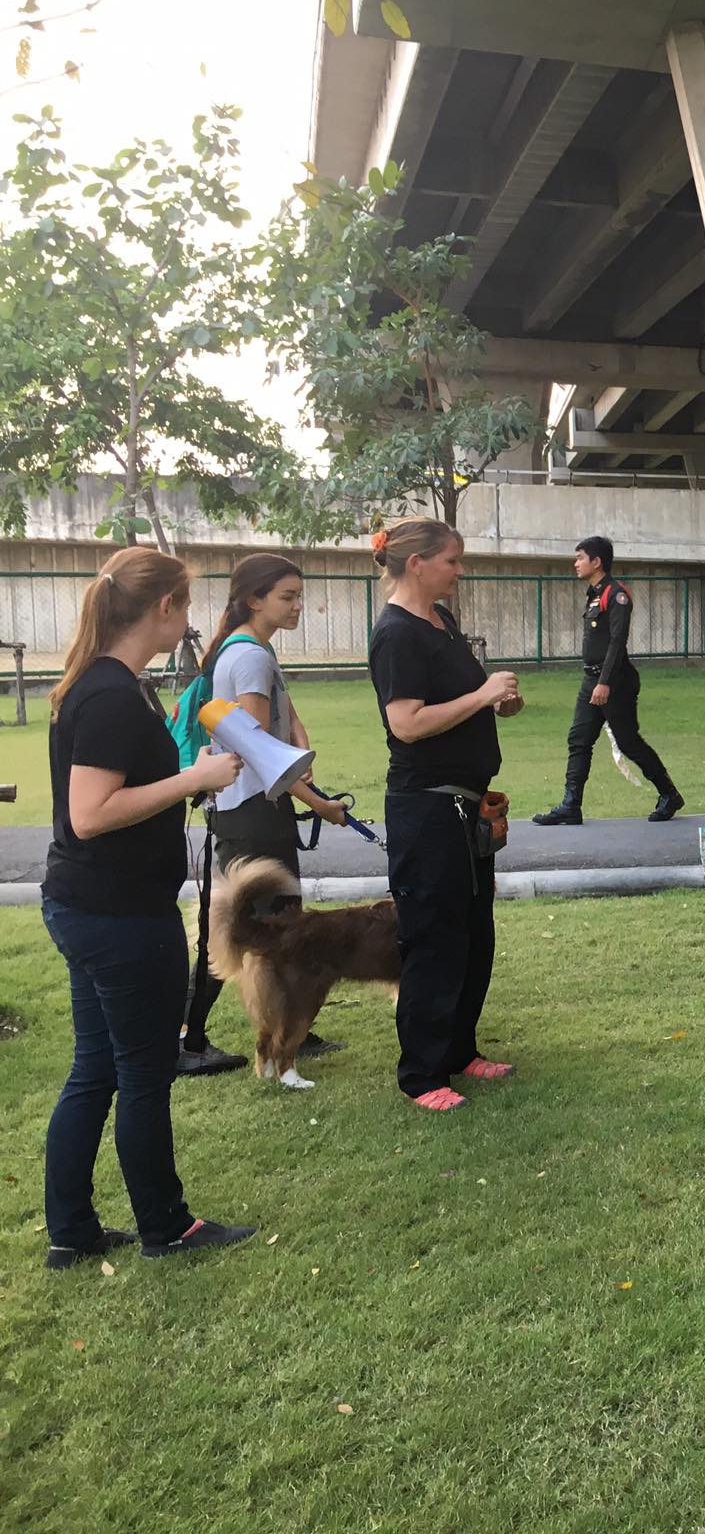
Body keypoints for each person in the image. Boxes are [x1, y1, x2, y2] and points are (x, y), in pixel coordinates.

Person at [41, 547, 257, 1267]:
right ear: (162, 608)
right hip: (118, 916)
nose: (190, 620)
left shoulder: (115, 686)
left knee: (96, 1070)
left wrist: (186, 784)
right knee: (139, 1074)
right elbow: (91, 813)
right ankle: (167, 1226)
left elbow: (124, 794)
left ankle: (70, 1233)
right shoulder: (107, 693)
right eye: (186, 606)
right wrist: (193, 776)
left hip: (95, 906)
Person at [368, 518, 524, 1111]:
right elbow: (405, 723)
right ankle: (422, 1073)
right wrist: (481, 695)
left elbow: (458, 707)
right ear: (417, 564)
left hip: (466, 807)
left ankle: (460, 1050)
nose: (460, 571)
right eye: (452, 561)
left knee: (472, 935)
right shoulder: (397, 635)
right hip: (426, 809)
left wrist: (497, 704)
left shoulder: (441, 622)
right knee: (432, 939)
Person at [180, 553, 352, 1073]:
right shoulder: (251, 657)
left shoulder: (247, 651)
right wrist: (322, 804)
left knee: (272, 925)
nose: (298, 605)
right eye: (288, 596)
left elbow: (278, 726)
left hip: (246, 808)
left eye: (299, 595)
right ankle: (188, 1036)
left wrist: (295, 730)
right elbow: (263, 757)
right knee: (244, 927)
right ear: (255, 600)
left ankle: (289, 1021)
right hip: (255, 810)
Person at [534, 535, 684, 825]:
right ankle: (570, 805)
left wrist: (604, 682)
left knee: (628, 742)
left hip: (614, 681)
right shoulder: (593, 594)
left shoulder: (616, 594)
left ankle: (669, 794)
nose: (575, 563)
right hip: (591, 680)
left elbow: (617, 641)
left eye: (580, 558)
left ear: (596, 561)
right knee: (579, 739)